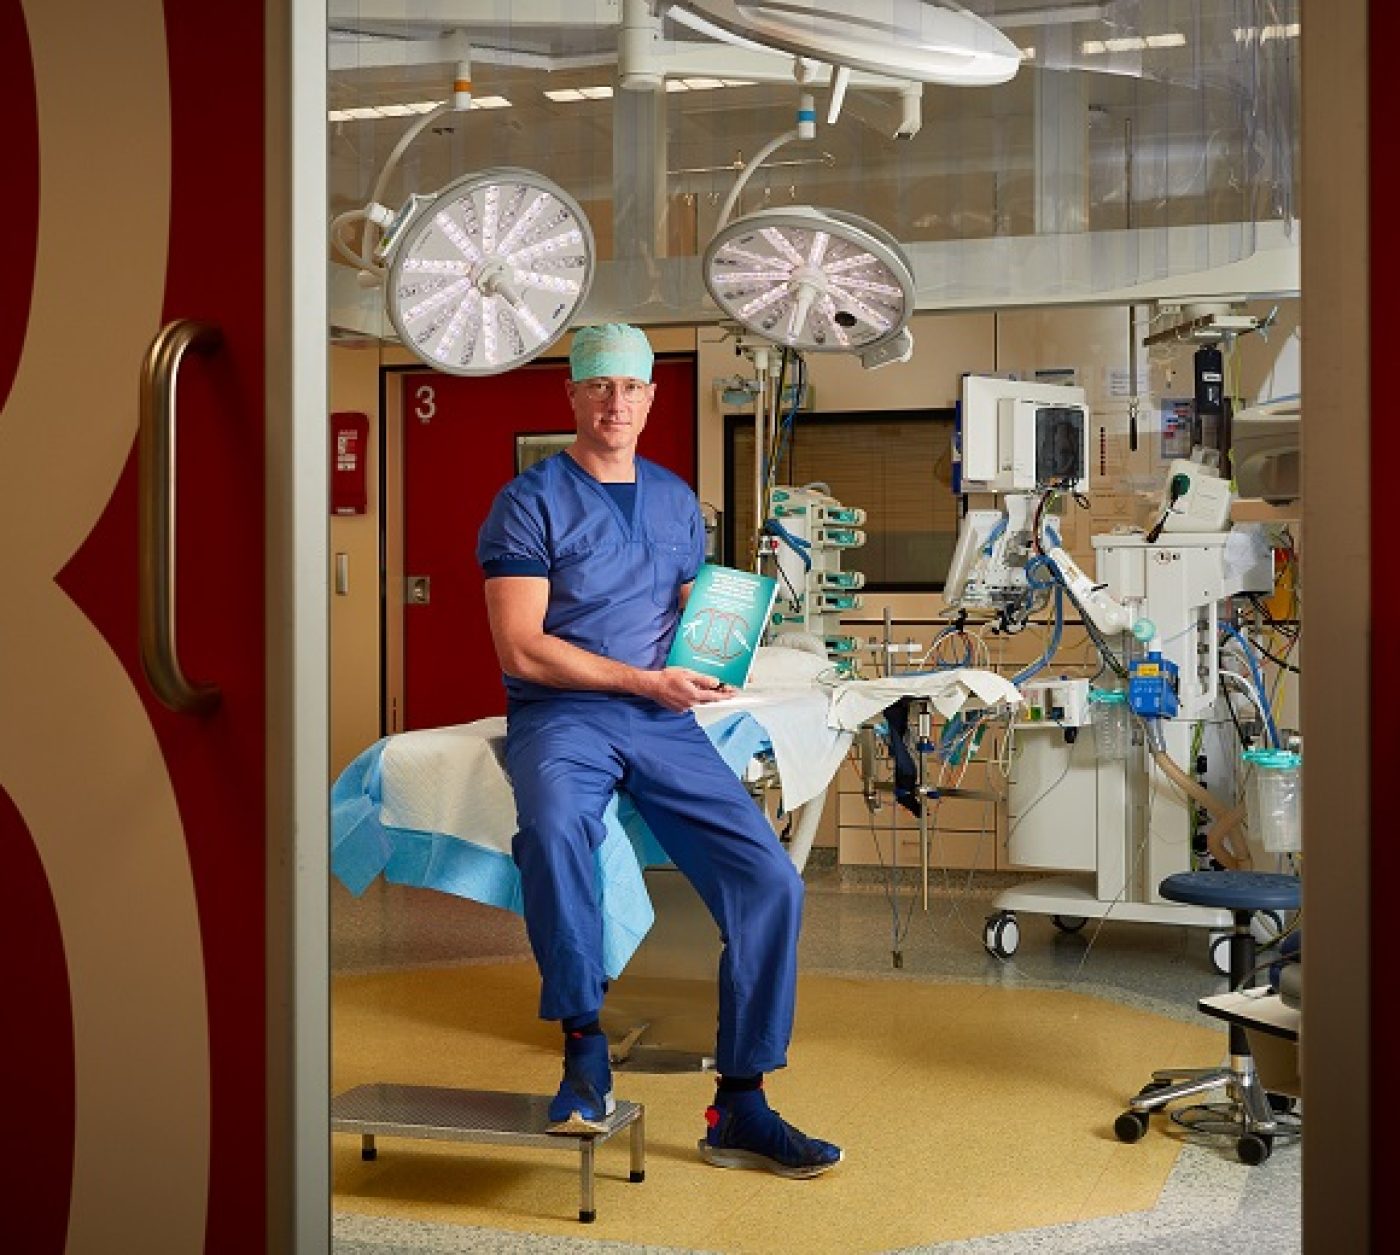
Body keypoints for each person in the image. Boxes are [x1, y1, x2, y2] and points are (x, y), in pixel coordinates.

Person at [476, 323, 842, 1179]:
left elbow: (689, 610)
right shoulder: (528, 502)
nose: (616, 402)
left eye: (631, 387)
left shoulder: (678, 503)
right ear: (573, 394)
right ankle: (584, 1050)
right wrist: (645, 681)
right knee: (557, 830)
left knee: (770, 880)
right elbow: (521, 648)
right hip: (563, 717)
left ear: (651, 397)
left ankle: (741, 1102)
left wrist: (721, 650)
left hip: (663, 722)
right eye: (600, 385)